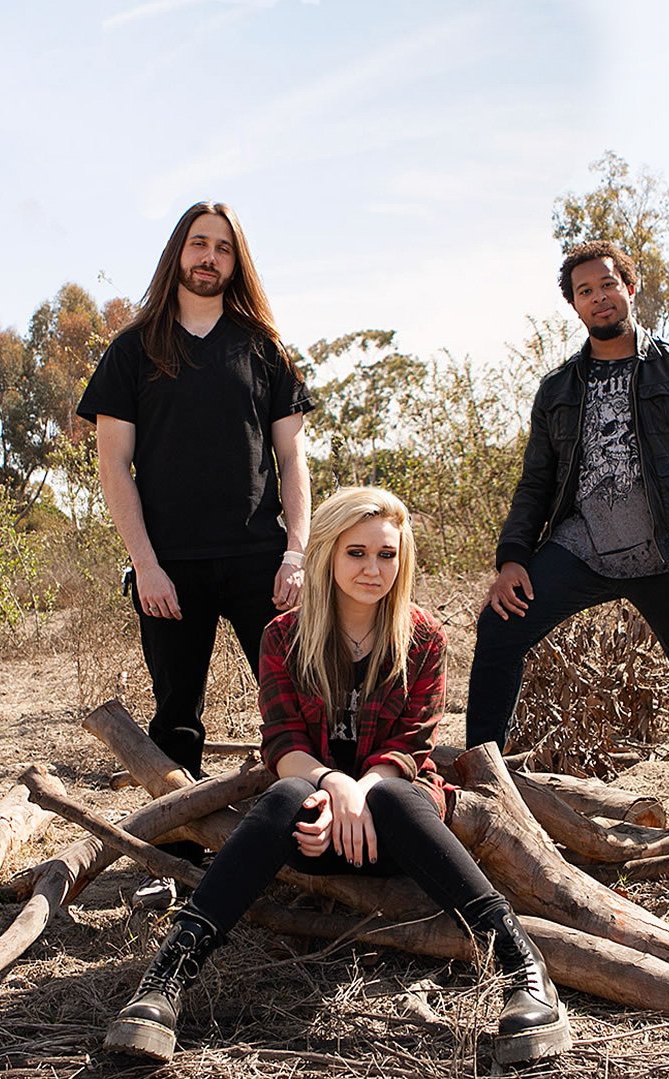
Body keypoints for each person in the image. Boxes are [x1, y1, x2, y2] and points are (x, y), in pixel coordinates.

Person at [104, 487, 571, 1065]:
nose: (373, 569)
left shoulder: (423, 638)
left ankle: (523, 967)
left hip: (398, 833)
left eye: (387, 554)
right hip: (312, 830)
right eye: (357, 553)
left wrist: (361, 792)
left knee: (395, 796)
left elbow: (410, 747)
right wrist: (336, 787)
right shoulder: (284, 636)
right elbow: (283, 744)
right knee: (286, 795)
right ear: (326, 554)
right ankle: (166, 979)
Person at [466, 240, 669, 845]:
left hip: (667, 555)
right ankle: (480, 788)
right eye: (585, 291)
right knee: (498, 628)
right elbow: (536, 484)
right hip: (583, 549)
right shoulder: (558, 389)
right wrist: (512, 558)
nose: (599, 298)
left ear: (629, 287)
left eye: (607, 285)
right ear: (574, 305)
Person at [77, 201, 314, 900]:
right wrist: (145, 563)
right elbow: (114, 465)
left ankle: (310, 842)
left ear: (236, 262)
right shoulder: (133, 349)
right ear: (178, 253)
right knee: (176, 716)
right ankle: (180, 862)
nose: (209, 257)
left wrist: (296, 552)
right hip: (170, 566)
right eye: (198, 243)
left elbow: (292, 459)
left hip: (259, 559)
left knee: (298, 703)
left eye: (223, 248)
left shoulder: (264, 347)